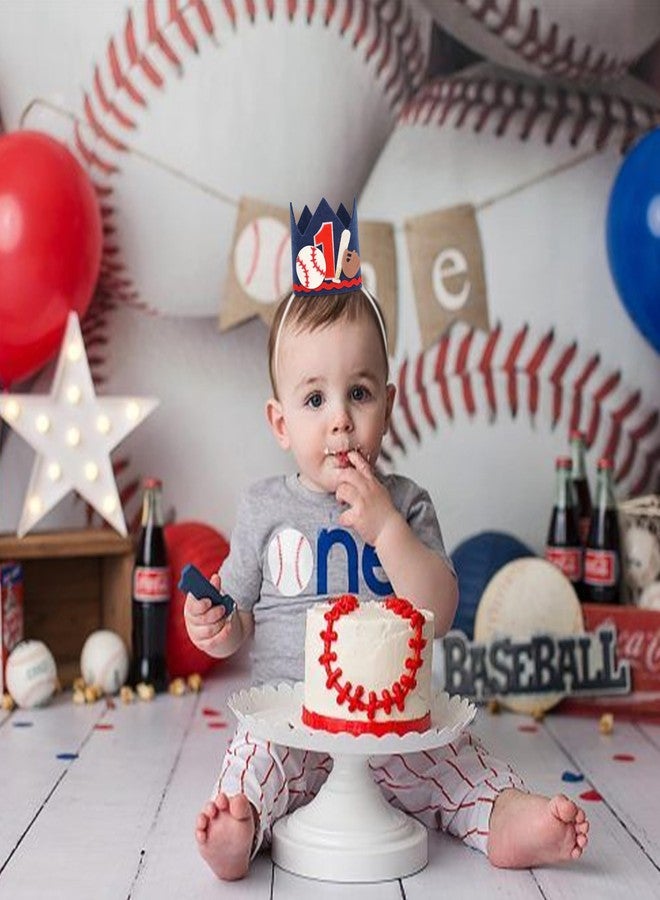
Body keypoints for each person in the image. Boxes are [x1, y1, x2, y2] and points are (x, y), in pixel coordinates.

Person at [184, 200, 589, 881]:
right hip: (291, 720)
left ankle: (508, 818)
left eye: (360, 393)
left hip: (393, 728)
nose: (340, 420)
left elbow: (440, 610)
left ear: (390, 405)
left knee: (460, 765)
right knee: (250, 766)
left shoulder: (405, 503)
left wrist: (387, 530)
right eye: (315, 400)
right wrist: (215, 628)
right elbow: (238, 618)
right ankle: (240, 829)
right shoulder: (264, 507)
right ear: (280, 422)